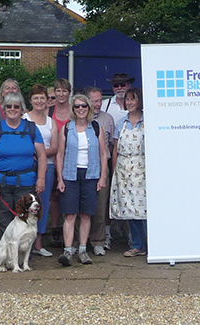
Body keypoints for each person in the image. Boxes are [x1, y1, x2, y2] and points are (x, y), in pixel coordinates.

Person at [0, 92, 47, 256]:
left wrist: (41, 179)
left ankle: (24, 257)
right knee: (2, 221)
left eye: (16, 106)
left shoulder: (31, 129)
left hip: (26, 183)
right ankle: (2, 256)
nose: (12, 109)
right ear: (4, 109)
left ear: (22, 109)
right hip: (1, 184)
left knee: (26, 219)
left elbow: (41, 155)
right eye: (9, 106)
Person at [55, 94, 107, 266]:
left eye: (84, 106)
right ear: (73, 109)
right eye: (77, 106)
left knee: (86, 214)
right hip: (70, 174)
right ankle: (68, 250)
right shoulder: (66, 128)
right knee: (70, 214)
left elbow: (102, 154)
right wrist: (60, 178)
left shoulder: (96, 127)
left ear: (89, 108)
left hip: (90, 174)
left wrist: (103, 176)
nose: (80, 109)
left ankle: (83, 250)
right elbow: (60, 154)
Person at [109, 87, 148, 257]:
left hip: (143, 168)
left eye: (133, 99)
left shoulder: (148, 121)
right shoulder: (121, 124)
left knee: (146, 209)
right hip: (124, 170)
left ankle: (152, 244)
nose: (130, 103)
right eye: (128, 99)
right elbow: (115, 149)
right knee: (131, 209)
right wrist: (115, 172)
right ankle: (137, 245)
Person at [24, 84, 60, 257]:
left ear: (47, 100)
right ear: (30, 100)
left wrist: (40, 154)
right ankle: (25, 243)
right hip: (26, 166)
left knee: (41, 205)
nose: (39, 101)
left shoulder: (51, 121)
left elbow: (54, 147)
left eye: (42, 97)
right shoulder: (24, 119)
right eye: (36, 97)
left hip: (48, 167)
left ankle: (38, 244)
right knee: (26, 203)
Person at [85, 86, 116, 256]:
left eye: (99, 100)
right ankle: (78, 242)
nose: (97, 104)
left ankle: (98, 241)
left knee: (100, 207)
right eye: (94, 101)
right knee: (81, 208)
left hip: (102, 168)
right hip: (82, 169)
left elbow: (111, 146)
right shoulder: (78, 119)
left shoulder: (108, 119)